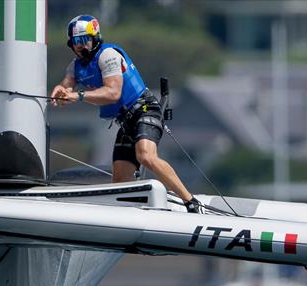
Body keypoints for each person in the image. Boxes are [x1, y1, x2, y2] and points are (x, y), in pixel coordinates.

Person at [50, 15, 199, 213]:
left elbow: (113, 93)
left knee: (146, 156)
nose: (79, 46)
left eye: (83, 40)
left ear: (95, 38)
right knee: (119, 180)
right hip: (126, 121)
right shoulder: (75, 66)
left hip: (145, 109)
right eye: (75, 42)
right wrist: (60, 90)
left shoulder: (108, 55)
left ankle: (191, 202)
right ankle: (133, 214)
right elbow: (67, 83)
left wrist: (77, 96)